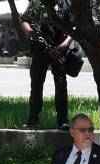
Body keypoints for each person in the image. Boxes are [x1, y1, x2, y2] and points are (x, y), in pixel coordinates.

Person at [20, 0, 73, 130]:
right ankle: (33, 119)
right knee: (36, 83)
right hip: (40, 48)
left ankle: (63, 121)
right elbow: (24, 21)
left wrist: (65, 45)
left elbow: (74, 27)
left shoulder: (66, 3)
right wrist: (31, 33)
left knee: (61, 84)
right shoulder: (38, 3)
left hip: (59, 49)